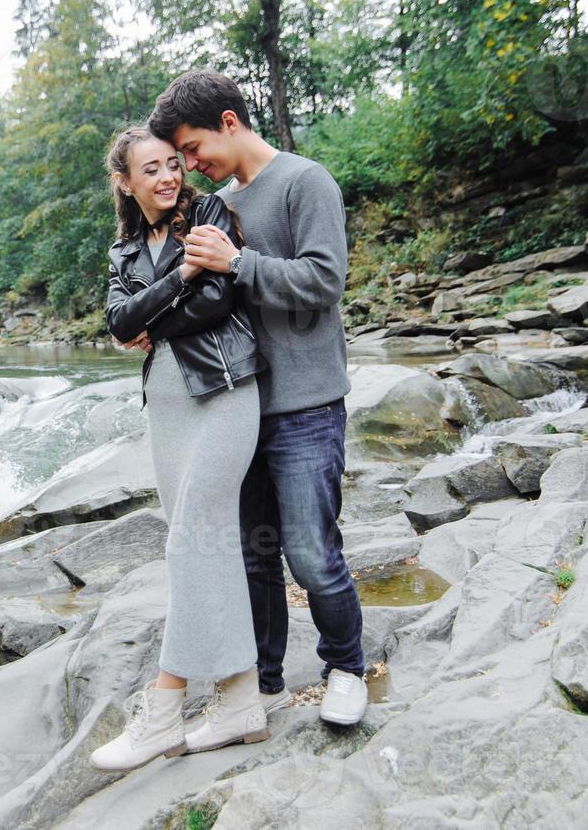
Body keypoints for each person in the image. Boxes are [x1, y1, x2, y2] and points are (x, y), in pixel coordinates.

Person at [147, 69, 368, 727]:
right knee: (251, 556)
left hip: (305, 405)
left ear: (229, 122)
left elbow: (324, 280)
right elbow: (194, 291)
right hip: (234, 408)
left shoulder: (305, 182)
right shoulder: (218, 204)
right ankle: (264, 682)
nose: (189, 166)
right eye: (180, 158)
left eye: (192, 149)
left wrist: (235, 263)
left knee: (309, 552)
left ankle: (346, 669)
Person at [89, 126, 269, 772]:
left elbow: (219, 301)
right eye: (152, 169)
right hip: (164, 405)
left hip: (222, 390)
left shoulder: (211, 212)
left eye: (173, 164)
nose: (168, 177)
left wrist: (151, 314)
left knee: (190, 535)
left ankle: (162, 709)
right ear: (125, 183)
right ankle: (239, 701)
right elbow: (116, 322)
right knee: (205, 540)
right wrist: (178, 279)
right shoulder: (124, 251)